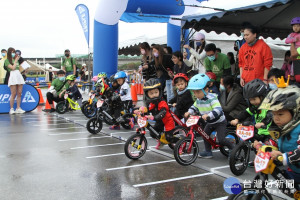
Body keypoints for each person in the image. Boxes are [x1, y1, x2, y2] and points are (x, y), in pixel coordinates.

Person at [184, 74, 234, 158]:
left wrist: (209, 115)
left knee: (221, 139)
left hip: (219, 122)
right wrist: (189, 112)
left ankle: (233, 149)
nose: (196, 94)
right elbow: (194, 107)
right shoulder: (199, 99)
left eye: (198, 92)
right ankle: (208, 151)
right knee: (205, 134)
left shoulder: (212, 98)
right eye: (194, 92)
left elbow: (218, 110)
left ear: (206, 90)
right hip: (210, 122)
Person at [258, 85, 300, 184]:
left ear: (295, 112)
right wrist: (263, 146)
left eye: (280, 114)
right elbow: (275, 140)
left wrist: (284, 156)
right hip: (294, 170)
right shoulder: (283, 127)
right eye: (274, 114)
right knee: (284, 184)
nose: (276, 118)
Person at [230, 79, 272, 166]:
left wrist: (263, 123)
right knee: (252, 141)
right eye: (250, 100)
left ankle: (267, 159)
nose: (252, 102)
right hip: (259, 131)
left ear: (262, 96)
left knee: (266, 147)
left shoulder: (269, 106)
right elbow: (245, 112)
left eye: (254, 99)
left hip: (269, 133)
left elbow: (270, 116)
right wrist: (237, 119)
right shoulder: (254, 107)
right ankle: (258, 158)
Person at [143, 78, 176, 149]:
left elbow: (163, 113)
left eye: (156, 92)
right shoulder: (151, 103)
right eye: (151, 93)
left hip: (167, 121)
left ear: (159, 91)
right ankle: (161, 141)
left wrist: (154, 118)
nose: (154, 95)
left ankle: (180, 144)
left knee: (169, 138)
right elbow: (147, 111)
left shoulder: (162, 102)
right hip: (160, 122)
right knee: (153, 132)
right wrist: (141, 111)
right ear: (147, 94)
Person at [4, 47, 26, 114]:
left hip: (18, 75)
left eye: (14, 52)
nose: (13, 53)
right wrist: (16, 61)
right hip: (13, 75)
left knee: (19, 93)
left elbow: (18, 68)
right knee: (13, 93)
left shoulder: (17, 60)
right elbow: (13, 68)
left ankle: (18, 108)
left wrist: (24, 69)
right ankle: (11, 109)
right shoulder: (7, 60)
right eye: (11, 52)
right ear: (9, 53)